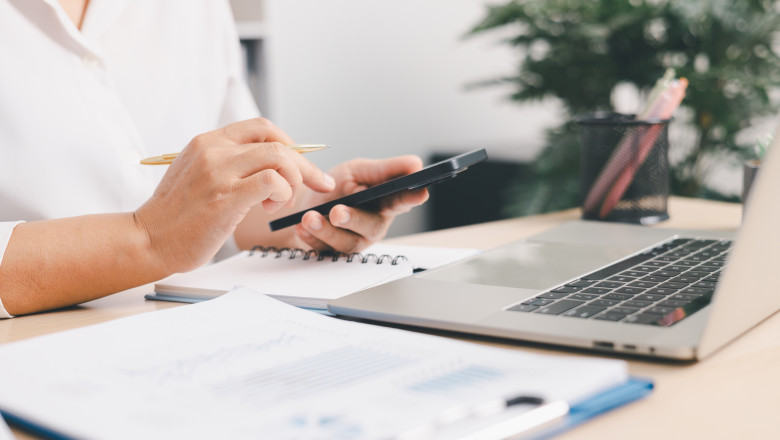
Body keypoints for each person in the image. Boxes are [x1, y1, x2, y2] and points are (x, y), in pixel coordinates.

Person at [0, 0, 428, 317]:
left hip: (206, 324)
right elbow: (171, 231)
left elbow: (230, 199)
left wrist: (304, 213)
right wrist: (149, 239)